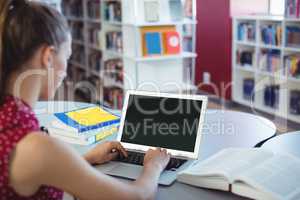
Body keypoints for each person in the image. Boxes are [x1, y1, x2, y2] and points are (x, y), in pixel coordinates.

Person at [0, 0, 170, 200]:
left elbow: (36, 169)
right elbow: (137, 196)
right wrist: (154, 165)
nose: (65, 70)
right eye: (67, 56)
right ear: (48, 57)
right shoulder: (37, 146)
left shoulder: (11, 123)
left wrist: (84, 160)